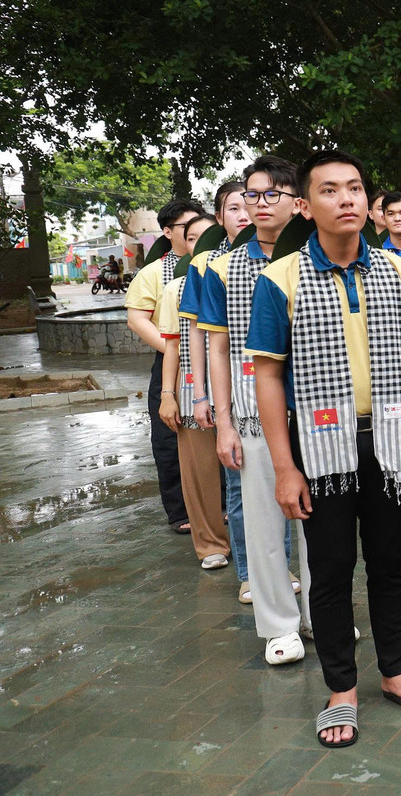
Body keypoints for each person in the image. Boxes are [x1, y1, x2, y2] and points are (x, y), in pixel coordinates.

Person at [247, 149, 401, 749]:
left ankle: (395, 672)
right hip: (318, 447)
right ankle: (341, 689)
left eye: (355, 188)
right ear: (306, 206)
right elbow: (267, 376)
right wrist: (284, 468)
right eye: (330, 190)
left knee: (390, 565)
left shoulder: (397, 270)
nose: (347, 199)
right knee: (330, 571)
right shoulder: (279, 280)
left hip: (392, 441)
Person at [201, 155, 311, 663]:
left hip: (317, 412)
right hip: (251, 411)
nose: (258, 204)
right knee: (264, 522)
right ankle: (279, 626)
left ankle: (320, 615)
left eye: (272, 194)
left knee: (322, 525)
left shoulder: (315, 258)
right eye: (251, 194)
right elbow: (218, 348)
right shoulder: (222, 268)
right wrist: (223, 422)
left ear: (297, 202)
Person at [179, 181, 251, 592]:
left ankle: (285, 569)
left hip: (274, 384)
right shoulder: (206, 264)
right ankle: (248, 575)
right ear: (219, 217)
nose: (244, 213)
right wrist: (200, 393)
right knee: (239, 483)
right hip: (230, 387)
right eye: (233, 207)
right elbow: (196, 333)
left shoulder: (279, 255)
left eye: (249, 204)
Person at [156, 212, 234, 569]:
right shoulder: (177, 288)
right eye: (192, 237)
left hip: (240, 386)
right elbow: (172, 346)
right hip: (191, 388)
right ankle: (210, 544)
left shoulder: (236, 275)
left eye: (206, 235)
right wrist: (167, 395)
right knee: (199, 470)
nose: (199, 243)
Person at [126, 198, 202, 534]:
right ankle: (179, 510)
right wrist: (175, 350)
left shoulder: (214, 264)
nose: (193, 232)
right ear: (168, 232)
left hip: (213, 359)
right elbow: (137, 319)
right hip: (171, 359)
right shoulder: (154, 272)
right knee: (169, 434)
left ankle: (218, 502)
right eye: (185, 227)